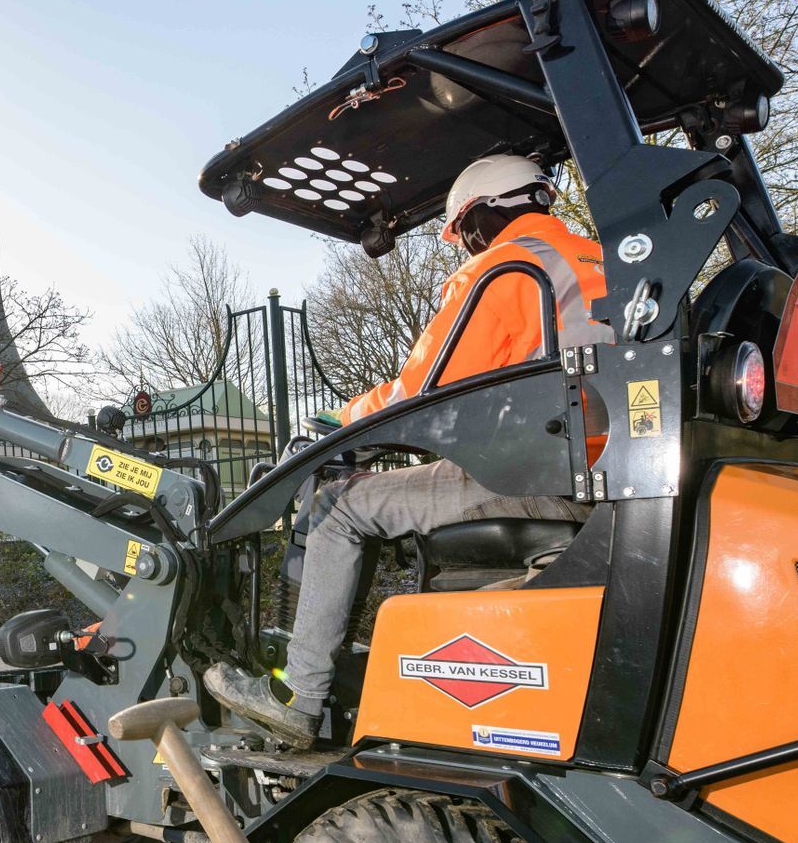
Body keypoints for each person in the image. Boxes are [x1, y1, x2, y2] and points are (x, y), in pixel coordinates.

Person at [205, 154, 611, 748]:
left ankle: (300, 693)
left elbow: (423, 389)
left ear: (481, 216)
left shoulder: (508, 269)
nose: (463, 246)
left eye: (461, 232)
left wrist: (339, 426)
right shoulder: (601, 262)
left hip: (530, 472)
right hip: (606, 473)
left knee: (338, 507)